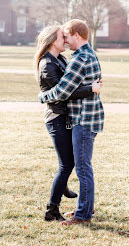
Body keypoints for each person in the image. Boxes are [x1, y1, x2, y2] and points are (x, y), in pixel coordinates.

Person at [38, 19, 104, 226]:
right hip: (80, 117)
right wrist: (91, 88)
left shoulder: (78, 58)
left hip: (83, 118)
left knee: (81, 168)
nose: (65, 40)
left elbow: (63, 91)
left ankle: (83, 214)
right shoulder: (87, 54)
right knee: (77, 166)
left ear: (77, 35)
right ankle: (84, 206)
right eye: (62, 37)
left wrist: (42, 97)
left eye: (66, 36)